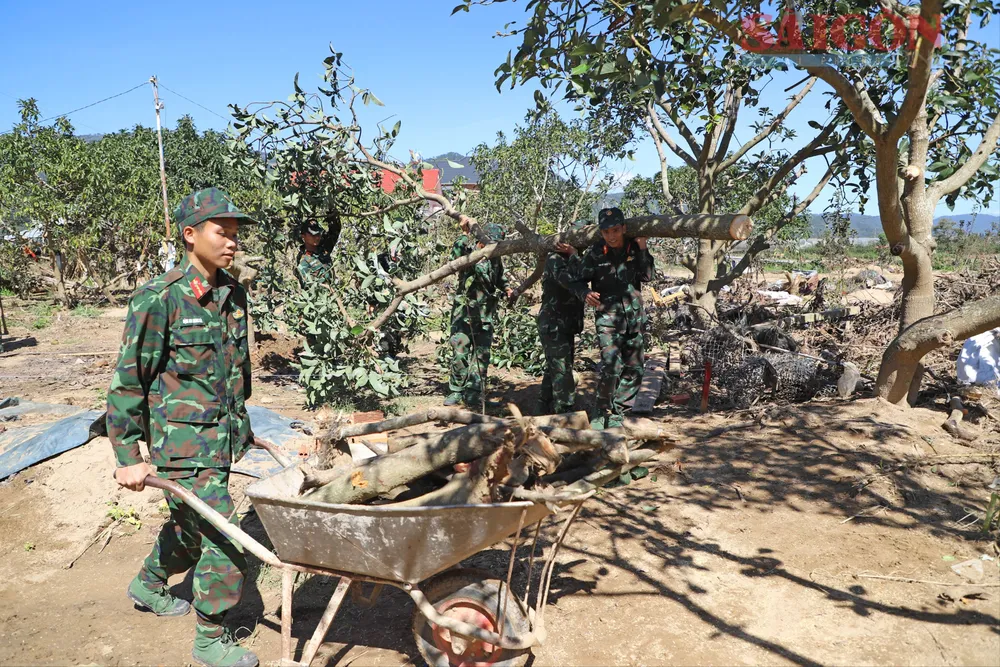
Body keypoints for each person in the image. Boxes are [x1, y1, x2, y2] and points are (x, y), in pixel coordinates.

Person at [107, 187, 270, 667]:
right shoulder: (160, 299)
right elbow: (127, 382)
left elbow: (235, 372)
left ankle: (148, 583)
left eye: (236, 234)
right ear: (190, 234)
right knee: (225, 538)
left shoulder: (232, 294)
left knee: (189, 528)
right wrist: (128, 459)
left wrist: (243, 426)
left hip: (222, 439)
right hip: (183, 445)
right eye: (223, 232)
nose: (232, 242)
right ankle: (209, 640)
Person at [569, 207, 654, 429]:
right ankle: (601, 410)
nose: (612, 236)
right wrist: (585, 293)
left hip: (634, 318)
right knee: (611, 365)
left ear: (624, 228)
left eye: (616, 230)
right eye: (606, 232)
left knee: (635, 368)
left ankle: (619, 412)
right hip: (607, 319)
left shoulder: (635, 249)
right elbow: (577, 280)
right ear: (601, 232)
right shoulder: (595, 253)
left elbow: (647, 276)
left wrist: (643, 247)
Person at [444, 220, 512, 409]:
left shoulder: (495, 258)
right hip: (464, 313)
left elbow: (500, 278)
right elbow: (454, 257)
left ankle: (474, 392)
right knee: (460, 352)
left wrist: (507, 289)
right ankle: (456, 390)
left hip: (485, 314)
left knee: (481, 355)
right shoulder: (468, 253)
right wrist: (464, 235)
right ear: (482, 241)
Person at [537, 222, 586, 415]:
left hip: (563, 325)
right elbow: (573, 281)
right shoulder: (556, 259)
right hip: (554, 324)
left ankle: (542, 406)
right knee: (562, 371)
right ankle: (564, 413)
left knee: (556, 367)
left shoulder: (573, 258)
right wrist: (574, 255)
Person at [296, 220, 332, 287]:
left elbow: (335, 229)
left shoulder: (323, 250)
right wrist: (326, 287)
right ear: (303, 236)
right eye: (312, 235)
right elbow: (308, 285)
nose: (317, 237)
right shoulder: (303, 260)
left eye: (318, 234)